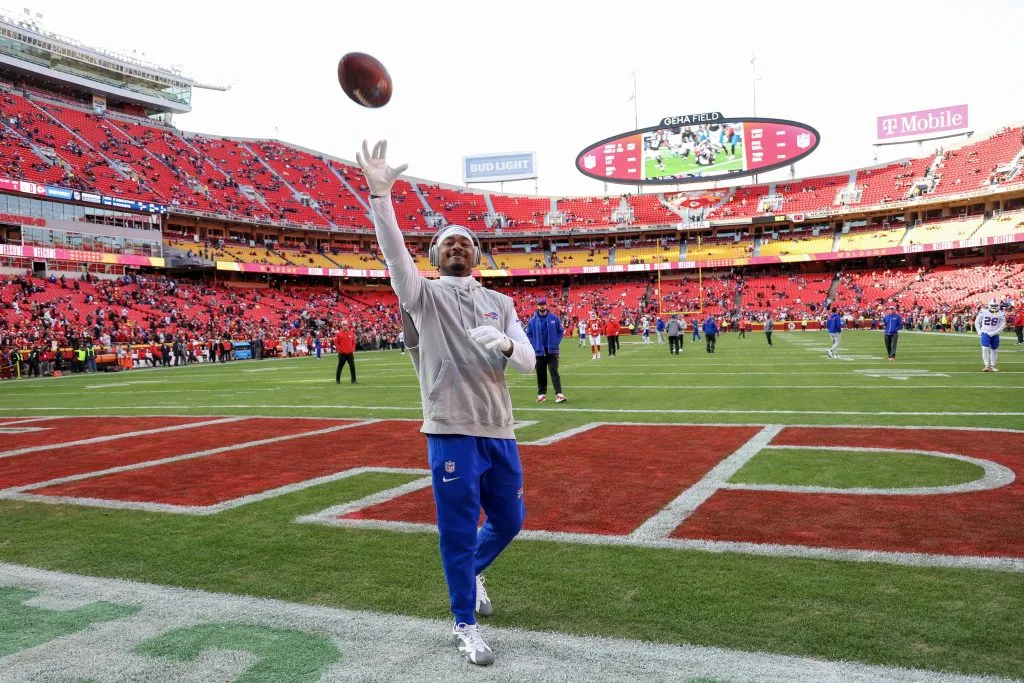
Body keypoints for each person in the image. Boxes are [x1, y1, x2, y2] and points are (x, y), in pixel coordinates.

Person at [358, 140, 535, 667]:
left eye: (465, 242)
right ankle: (464, 622)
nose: (456, 246)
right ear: (435, 258)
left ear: (477, 256)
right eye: (447, 243)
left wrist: (505, 343)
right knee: (457, 529)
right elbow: (393, 254)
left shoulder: (500, 303)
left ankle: (475, 572)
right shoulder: (423, 295)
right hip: (449, 427)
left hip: (498, 428)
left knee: (510, 520)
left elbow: (526, 360)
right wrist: (380, 196)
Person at [526, 297, 565, 403]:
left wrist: (556, 342)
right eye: (540, 304)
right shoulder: (532, 320)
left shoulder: (554, 318)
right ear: (537, 306)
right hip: (539, 351)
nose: (541, 306)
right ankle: (541, 394)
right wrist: (534, 344)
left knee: (554, 371)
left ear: (546, 305)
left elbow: (560, 331)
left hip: (552, 350)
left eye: (543, 304)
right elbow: (528, 334)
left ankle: (559, 394)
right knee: (540, 373)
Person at [976, 299, 1006, 372]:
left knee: (994, 350)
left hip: (995, 334)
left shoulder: (1001, 313)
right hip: (985, 332)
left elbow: (1002, 325)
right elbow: (977, 322)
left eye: (996, 305)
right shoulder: (983, 312)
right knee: (985, 348)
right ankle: (986, 366)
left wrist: (994, 333)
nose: (994, 307)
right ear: (989, 305)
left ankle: (993, 366)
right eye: (993, 305)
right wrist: (979, 330)